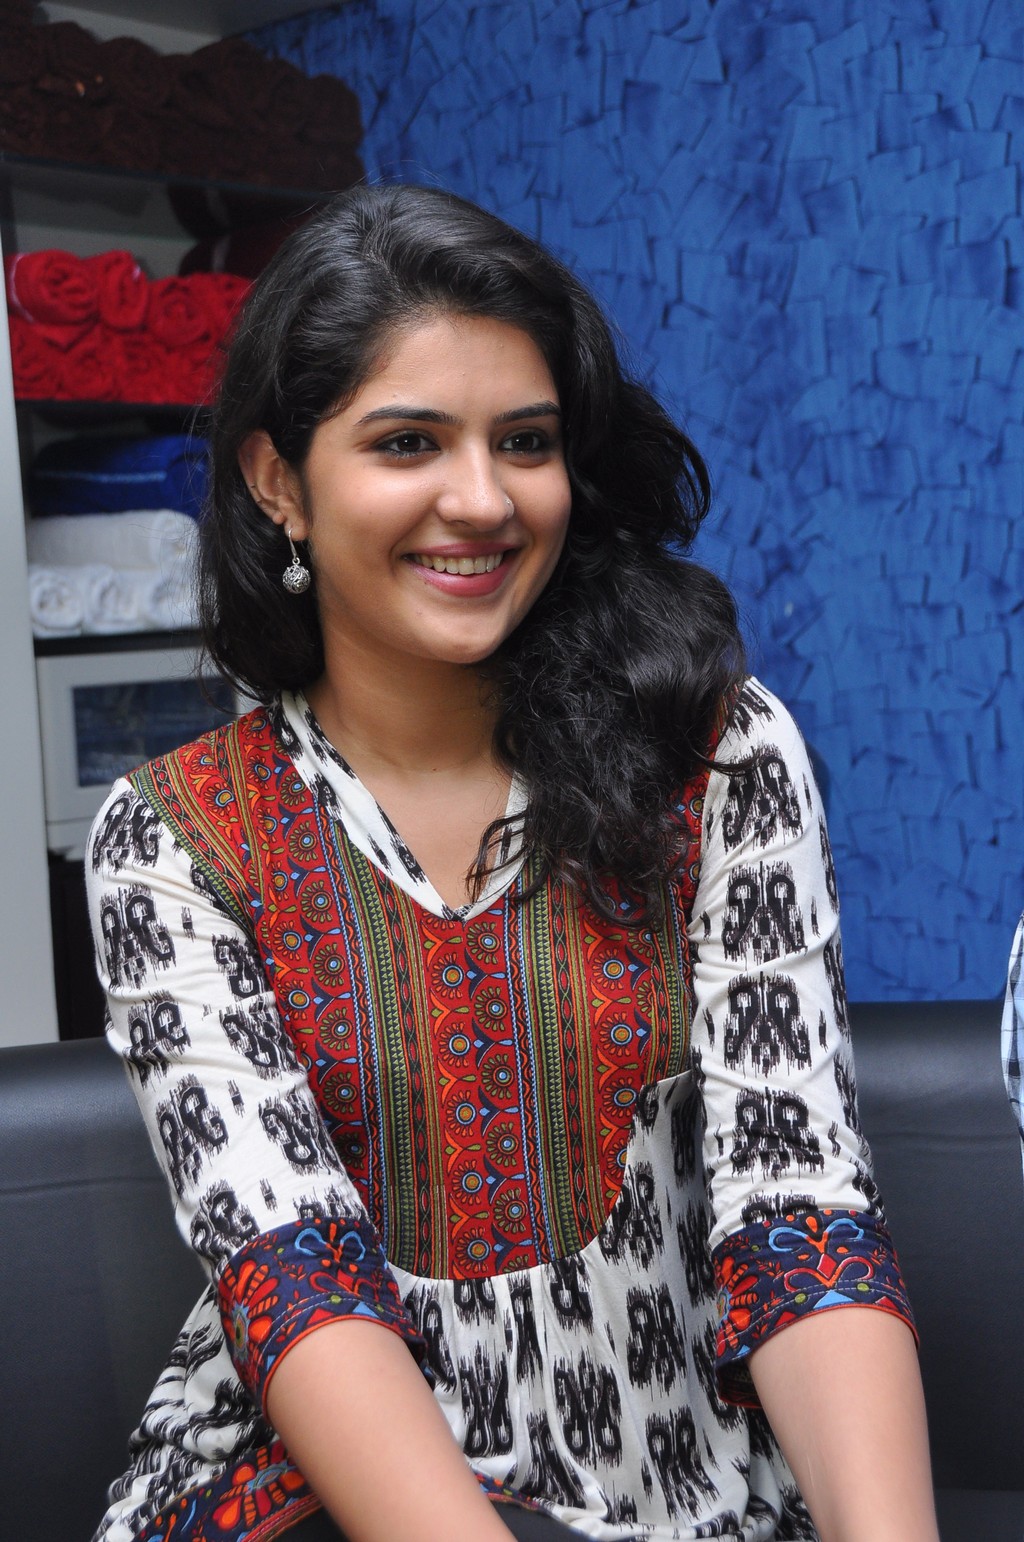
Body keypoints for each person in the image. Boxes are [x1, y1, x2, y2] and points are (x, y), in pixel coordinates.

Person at [86, 184, 939, 1542]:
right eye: (408, 441)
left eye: (524, 442)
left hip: (683, 1489)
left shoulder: (717, 752)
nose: (481, 500)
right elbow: (292, 1279)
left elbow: (798, 1200)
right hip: (320, 1500)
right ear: (275, 480)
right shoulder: (176, 837)